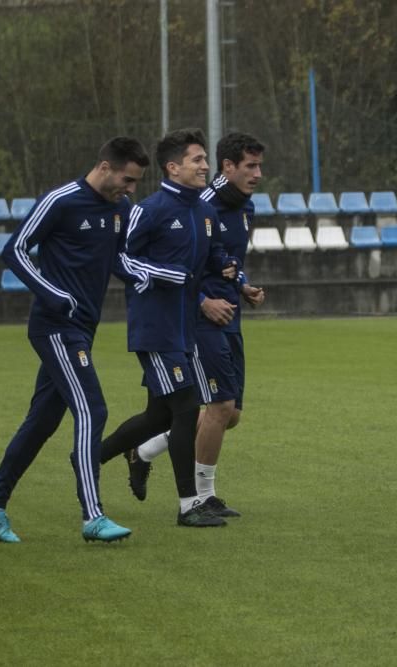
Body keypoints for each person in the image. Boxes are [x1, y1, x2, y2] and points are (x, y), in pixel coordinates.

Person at [0, 137, 147, 543]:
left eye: (136, 182)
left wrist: (148, 275)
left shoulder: (118, 209)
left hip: (83, 328)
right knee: (93, 410)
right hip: (54, 327)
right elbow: (13, 250)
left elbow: (118, 259)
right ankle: (93, 516)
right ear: (104, 166)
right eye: (127, 179)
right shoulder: (61, 200)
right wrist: (52, 293)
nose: (131, 189)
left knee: (42, 422)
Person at [98, 128, 237, 528]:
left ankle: (90, 460)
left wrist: (229, 270)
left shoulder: (205, 213)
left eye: (205, 159)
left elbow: (209, 261)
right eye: (197, 160)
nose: (205, 166)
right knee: (188, 407)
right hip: (156, 328)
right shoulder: (150, 209)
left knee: (158, 416)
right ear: (173, 167)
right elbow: (121, 258)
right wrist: (160, 273)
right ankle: (189, 505)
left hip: (185, 329)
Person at [124, 132, 266, 517]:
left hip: (230, 314)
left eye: (259, 166)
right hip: (199, 319)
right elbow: (183, 266)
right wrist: (203, 302)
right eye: (250, 166)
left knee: (230, 413)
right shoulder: (201, 201)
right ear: (228, 166)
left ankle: (144, 450)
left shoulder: (244, 207)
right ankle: (201, 497)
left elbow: (221, 258)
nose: (257, 174)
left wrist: (242, 285)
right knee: (217, 406)